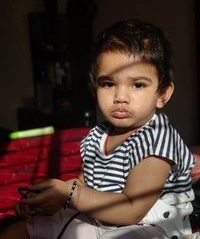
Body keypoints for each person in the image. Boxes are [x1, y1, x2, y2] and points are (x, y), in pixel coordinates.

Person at [0, 19, 196, 239]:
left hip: (150, 225)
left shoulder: (159, 139)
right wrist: (52, 197)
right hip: (100, 217)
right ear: (95, 90)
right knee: (28, 227)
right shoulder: (97, 135)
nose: (120, 97)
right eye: (108, 84)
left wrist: (73, 196)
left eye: (138, 85)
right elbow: (84, 182)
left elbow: (133, 209)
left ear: (163, 94)